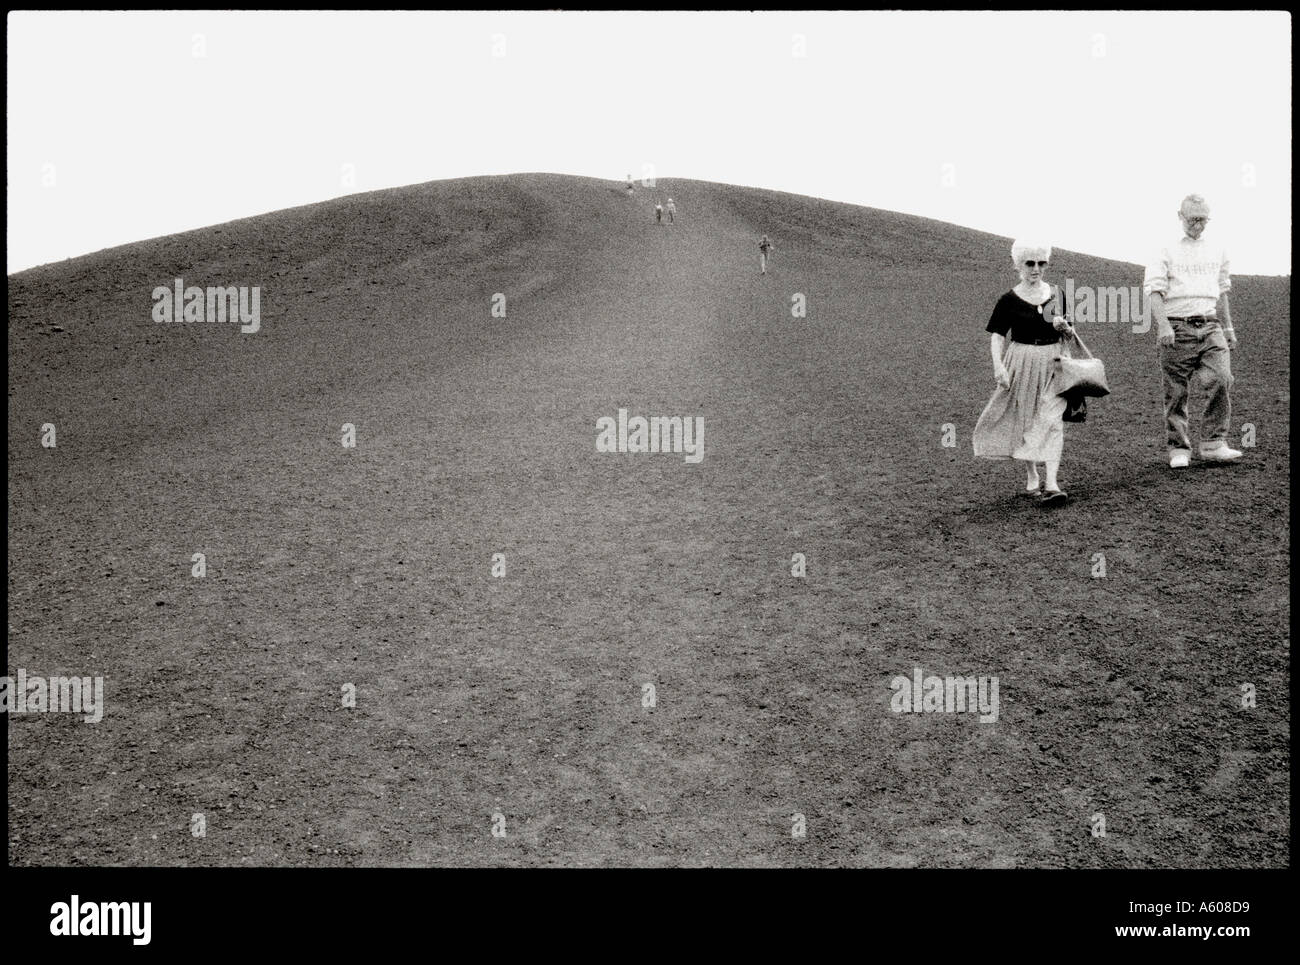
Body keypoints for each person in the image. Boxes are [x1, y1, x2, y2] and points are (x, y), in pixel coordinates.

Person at [973, 240, 1077, 505]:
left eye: (1042, 263)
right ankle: (1031, 472)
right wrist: (998, 366)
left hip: (1054, 361)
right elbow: (997, 336)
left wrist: (1066, 329)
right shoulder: (1008, 300)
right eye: (1030, 263)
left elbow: (1072, 336)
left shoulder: (1058, 294)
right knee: (1028, 420)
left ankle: (1052, 484)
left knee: (1052, 421)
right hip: (1022, 360)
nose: (1036, 269)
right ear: (1018, 264)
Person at [1144, 194, 1240, 468]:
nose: (1198, 225)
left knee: (1221, 378)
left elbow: (1222, 291)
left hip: (1211, 325)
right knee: (1176, 391)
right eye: (1192, 219)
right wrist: (1163, 325)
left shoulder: (1218, 248)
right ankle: (1179, 449)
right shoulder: (1164, 247)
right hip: (1176, 325)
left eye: (1203, 219)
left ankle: (1213, 444)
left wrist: (1229, 326)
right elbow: (1154, 290)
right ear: (1180, 216)